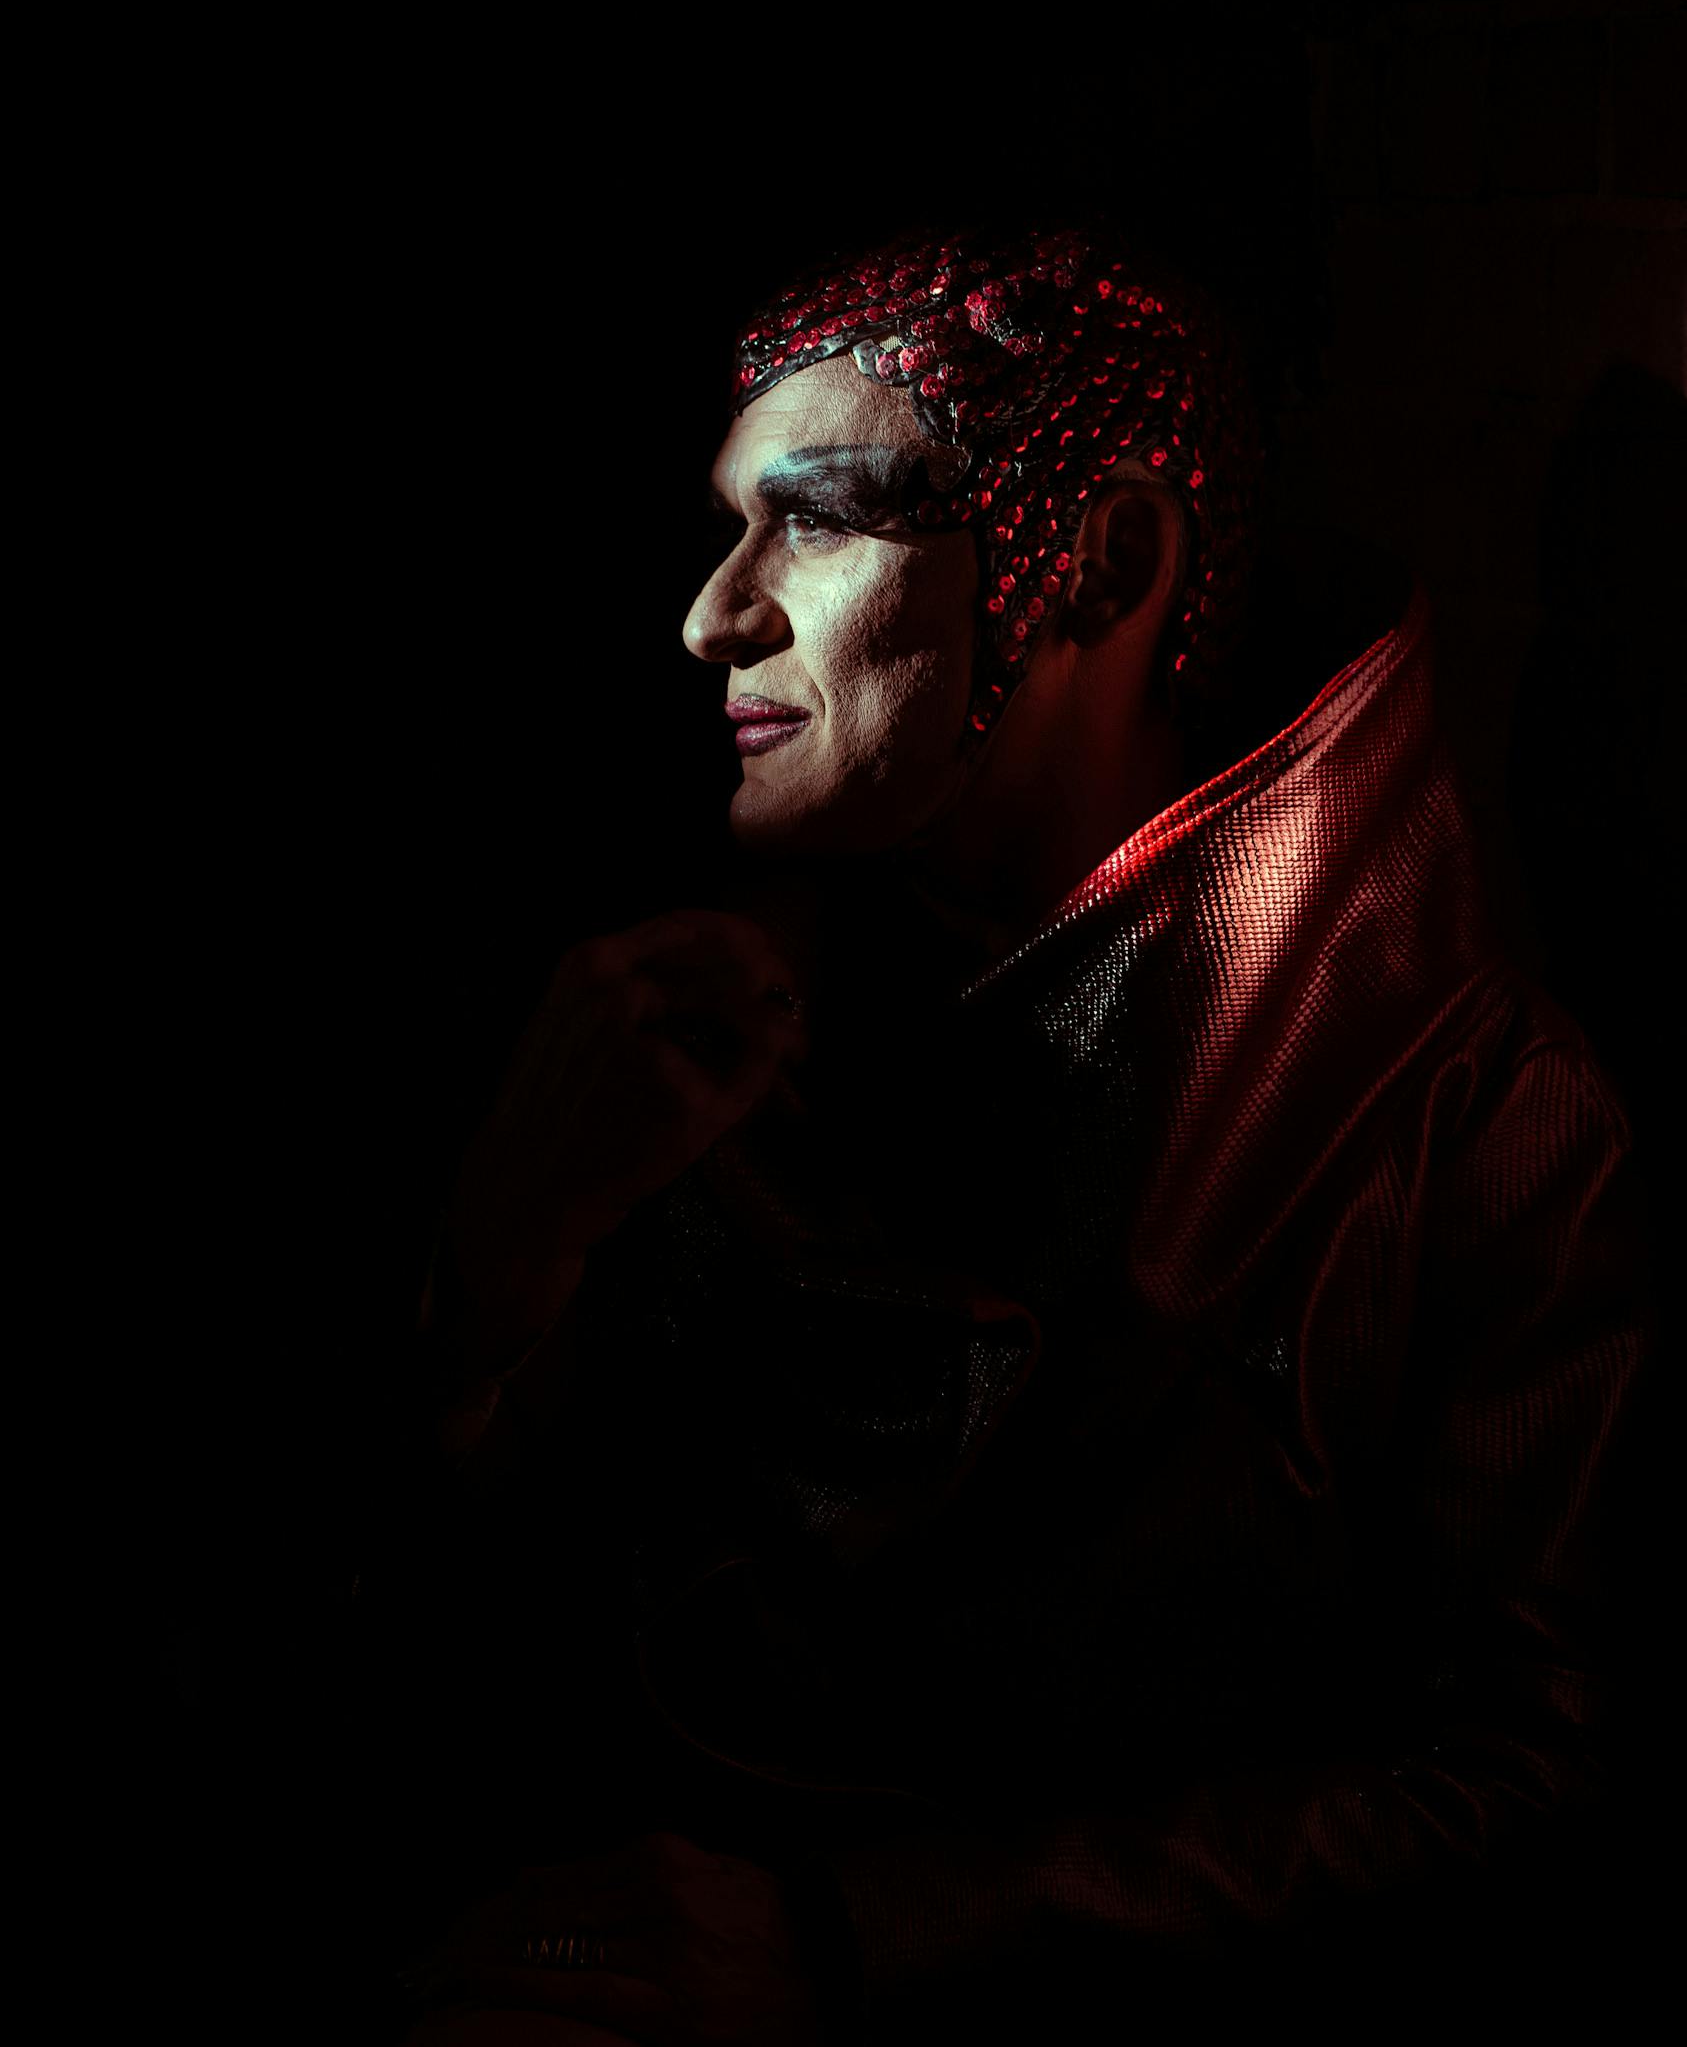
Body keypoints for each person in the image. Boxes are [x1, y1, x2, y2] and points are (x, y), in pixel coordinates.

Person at [341, 215, 1653, 2045]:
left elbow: (1537, 1787)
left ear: (1100, 563)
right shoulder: (706, 1027)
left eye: (816, 513)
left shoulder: (1477, 1119)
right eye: (729, 520)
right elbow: (460, 1643)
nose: (714, 610)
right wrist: (490, 1286)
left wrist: (858, 1947)